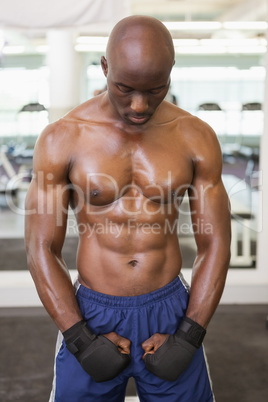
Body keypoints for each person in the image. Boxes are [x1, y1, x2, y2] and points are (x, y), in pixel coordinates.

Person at [25, 15, 231, 402]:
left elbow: (215, 245)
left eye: (156, 90)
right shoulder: (63, 138)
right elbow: (41, 248)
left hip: (171, 308)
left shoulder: (195, 137)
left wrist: (189, 335)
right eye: (125, 88)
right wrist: (79, 337)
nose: (139, 105)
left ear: (171, 74)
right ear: (105, 68)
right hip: (91, 311)